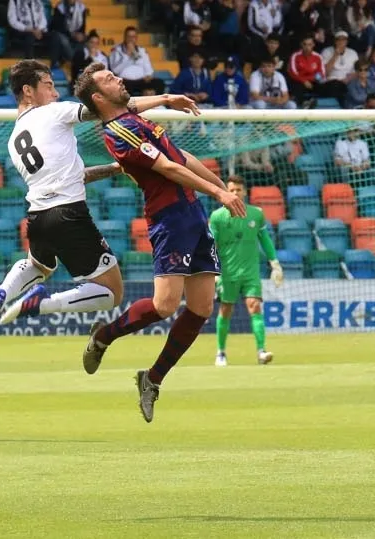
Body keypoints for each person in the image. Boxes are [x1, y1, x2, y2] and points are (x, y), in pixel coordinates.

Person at [0, 60, 200, 337]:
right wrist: (164, 98)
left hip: (37, 217)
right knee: (112, 291)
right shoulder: (53, 113)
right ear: (28, 92)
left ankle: (0, 295)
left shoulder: (15, 138)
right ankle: (42, 304)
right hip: (68, 214)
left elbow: (74, 176)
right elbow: (113, 107)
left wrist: (114, 168)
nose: (55, 93)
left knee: (38, 265)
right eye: (49, 86)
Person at [73, 62, 246, 422]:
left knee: (201, 308)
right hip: (169, 219)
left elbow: (183, 158)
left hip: (193, 213)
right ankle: (103, 336)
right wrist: (218, 191)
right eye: (109, 79)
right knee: (165, 305)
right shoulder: (119, 131)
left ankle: (151, 379)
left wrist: (220, 189)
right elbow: (167, 167)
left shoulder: (134, 118)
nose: (119, 78)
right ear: (98, 97)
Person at [210, 177, 283, 367]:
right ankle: (221, 352)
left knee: (255, 306)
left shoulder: (256, 215)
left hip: (251, 272)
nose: (235, 193)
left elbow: (265, 239)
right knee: (225, 310)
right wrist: (214, 271)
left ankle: (261, 351)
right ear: (226, 192)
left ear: (245, 192)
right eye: (231, 190)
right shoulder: (217, 217)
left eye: (238, 190)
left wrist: (274, 263)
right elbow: (211, 246)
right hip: (227, 273)